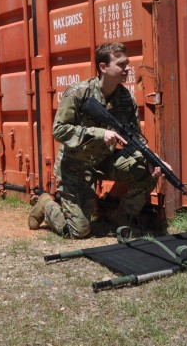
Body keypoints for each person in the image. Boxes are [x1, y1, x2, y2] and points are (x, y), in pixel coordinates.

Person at [28, 42, 168, 238]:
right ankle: (46, 204)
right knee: (78, 231)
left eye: (127, 63)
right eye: (121, 64)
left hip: (104, 160)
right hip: (76, 165)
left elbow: (134, 136)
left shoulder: (126, 99)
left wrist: (152, 159)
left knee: (147, 170)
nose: (127, 68)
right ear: (103, 67)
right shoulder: (78, 92)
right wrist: (99, 133)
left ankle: (120, 217)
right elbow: (59, 130)